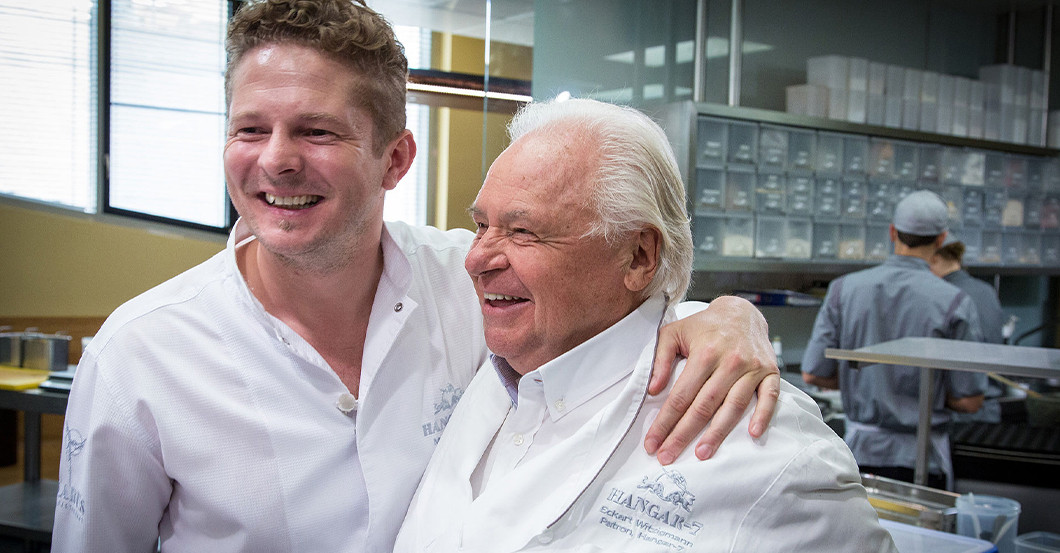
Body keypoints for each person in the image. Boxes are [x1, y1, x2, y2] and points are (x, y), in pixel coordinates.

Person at [52, 1, 781, 551]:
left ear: (397, 159)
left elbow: (619, 303)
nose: (275, 158)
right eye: (249, 128)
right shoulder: (142, 354)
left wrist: (726, 313)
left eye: (316, 130)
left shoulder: (469, 280)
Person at [393, 98, 897, 553]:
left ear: (638, 255)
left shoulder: (768, 446)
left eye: (524, 232)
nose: (476, 259)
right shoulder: (502, 363)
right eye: (481, 225)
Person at [802, 190, 988, 490]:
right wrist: (927, 390)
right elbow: (969, 400)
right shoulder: (954, 301)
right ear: (941, 240)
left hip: (855, 458)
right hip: (922, 462)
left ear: (892, 232)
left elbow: (813, 372)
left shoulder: (843, 289)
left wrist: (865, 382)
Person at [929, 232, 1006, 423]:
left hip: (957, 411)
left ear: (934, 257)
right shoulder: (986, 291)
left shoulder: (943, 296)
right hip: (989, 410)